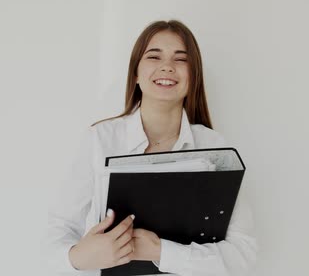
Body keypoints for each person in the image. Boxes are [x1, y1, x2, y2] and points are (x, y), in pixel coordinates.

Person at [47, 20, 258, 276]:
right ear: (135, 73)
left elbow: (242, 255)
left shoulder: (216, 148)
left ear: (194, 77)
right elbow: (57, 232)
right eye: (154, 56)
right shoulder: (100, 140)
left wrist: (159, 251)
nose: (167, 67)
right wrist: (78, 257)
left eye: (181, 59)